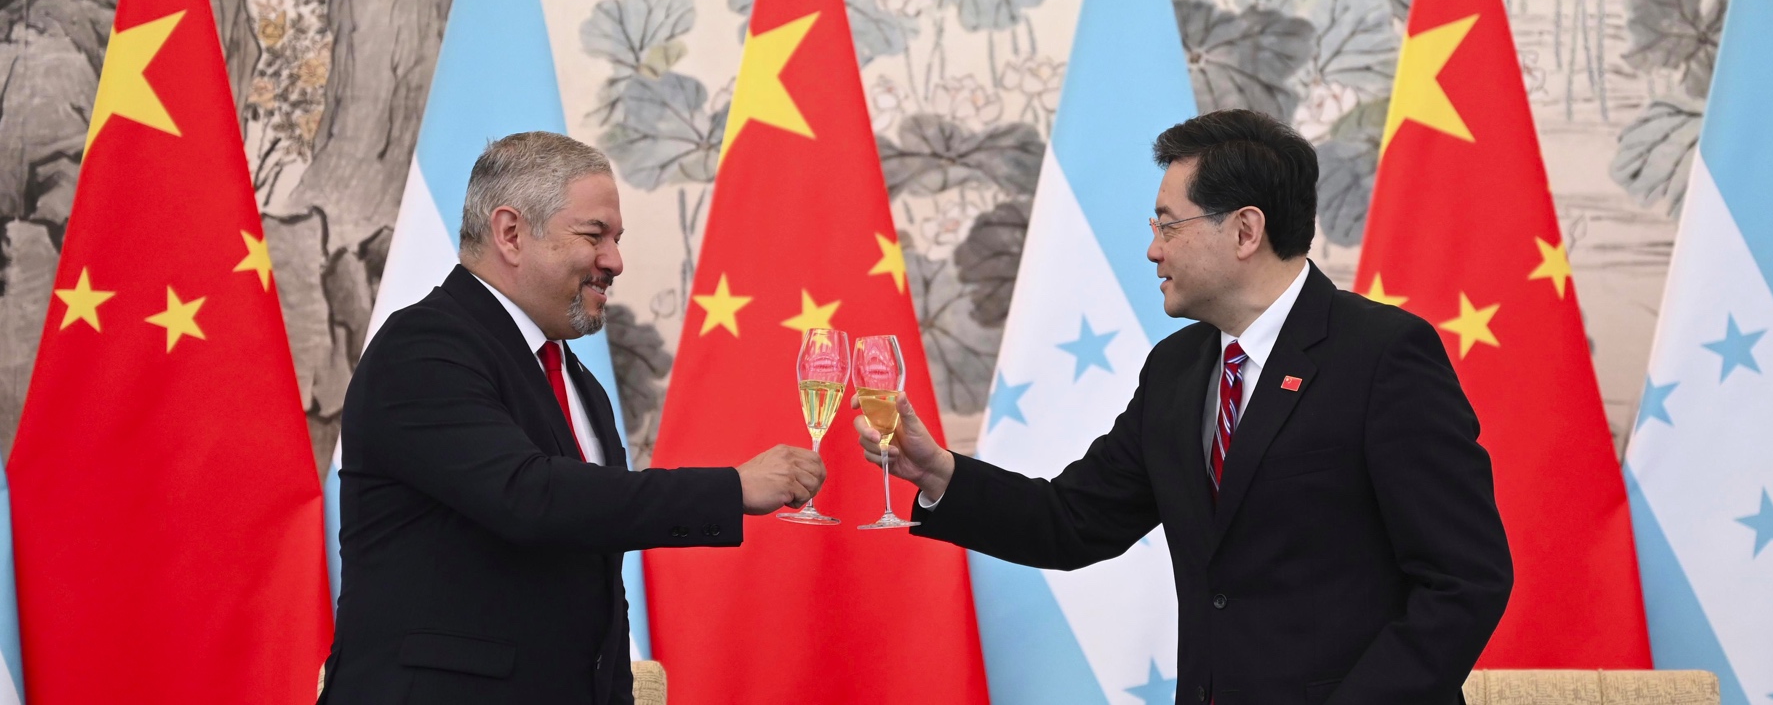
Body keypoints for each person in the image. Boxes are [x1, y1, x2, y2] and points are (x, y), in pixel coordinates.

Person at [857, 110, 1512, 704]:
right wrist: (937, 471)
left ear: (1246, 230)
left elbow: (1464, 580)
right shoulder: (1176, 368)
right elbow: (1073, 521)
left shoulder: (1383, 355)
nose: (1153, 249)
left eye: (1168, 225)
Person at [322, 131, 825, 705]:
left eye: (616, 239)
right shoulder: (423, 347)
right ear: (511, 233)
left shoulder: (575, 379)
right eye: (594, 235)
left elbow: (594, 568)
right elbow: (530, 497)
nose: (614, 261)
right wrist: (730, 488)